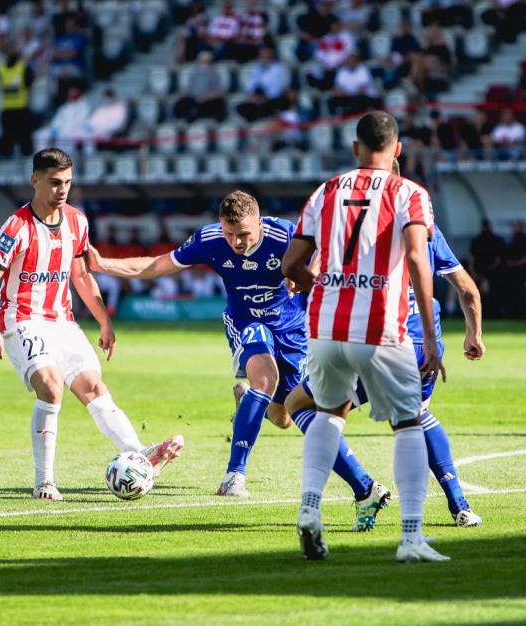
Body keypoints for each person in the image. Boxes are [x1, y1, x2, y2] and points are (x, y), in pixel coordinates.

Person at [86, 191, 390, 517]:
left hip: (294, 331)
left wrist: (305, 274)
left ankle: (247, 401)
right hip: (246, 322)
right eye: (230, 234)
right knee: (265, 378)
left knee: (285, 417)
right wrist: (102, 264)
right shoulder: (210, 239)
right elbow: (156, 265)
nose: (237, 242)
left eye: (244, 234)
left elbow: (322, 249)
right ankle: (234, 476)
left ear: (259, 223)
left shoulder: (285, 234)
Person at [281, 111, 446, 563]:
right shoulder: (410, 192)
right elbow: (416, 256)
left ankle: (310, 509)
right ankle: (411, 537)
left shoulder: (326, 190)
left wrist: (325, 286)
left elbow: (291, 264)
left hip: (326, 327)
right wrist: (429, 338)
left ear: (355, 148)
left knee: (329, 413)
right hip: (380, 326)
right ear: (397, 151)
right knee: (409, 423)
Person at [0, 148, 184, 500]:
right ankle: (44, 482)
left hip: (63, 321)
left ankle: (137, 452)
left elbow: (82, 277)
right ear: (34, 180)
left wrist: (105, 321)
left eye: (68, 182)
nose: (62, 189)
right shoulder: (16, 226)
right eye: (55, 182)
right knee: (52, 389)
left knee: (93, 387)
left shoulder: (77, 222)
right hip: (21, 320)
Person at [286, 159, 486, 530]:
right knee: (417, 416)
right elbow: (468, 290)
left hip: (364, 333)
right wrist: (473, 333)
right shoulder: (424, 223)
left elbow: (303, 273)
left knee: (301, 404)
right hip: (418, 343)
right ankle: (458, 507)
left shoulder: (345, 222)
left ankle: (362, 488)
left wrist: (308, 288)